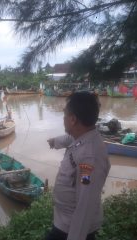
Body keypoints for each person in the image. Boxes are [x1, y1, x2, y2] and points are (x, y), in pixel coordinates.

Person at [46, 92, 110, 240]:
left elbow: (86, 206)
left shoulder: (89, 158)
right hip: (63, 222)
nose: (63, 119)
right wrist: (55, 142)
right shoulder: (84, 136)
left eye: (64, 115)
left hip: (71, 230)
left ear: (73, 119)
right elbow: (71, 138)